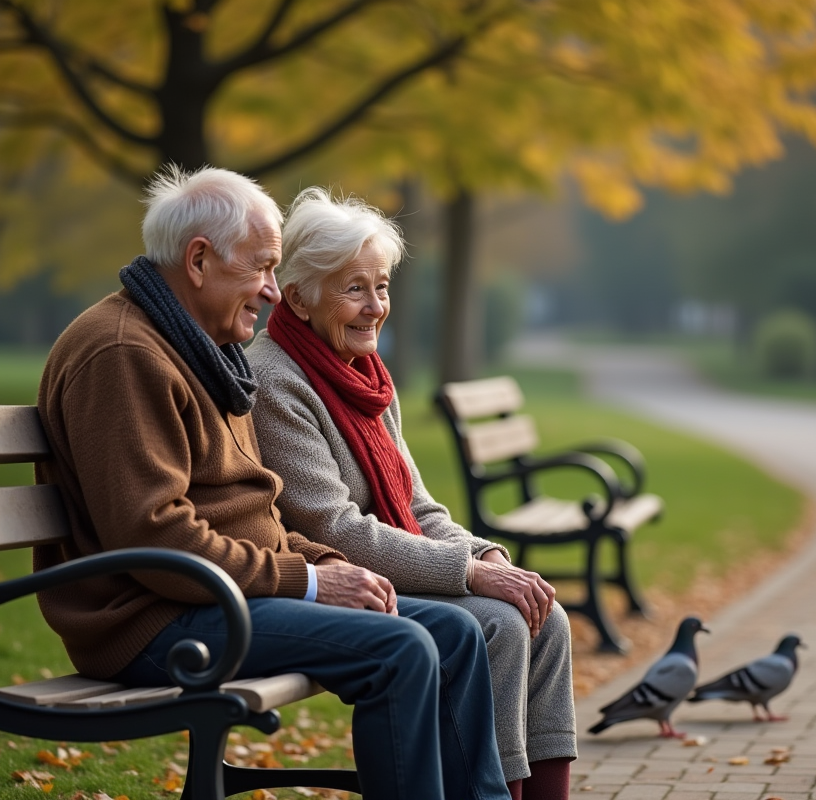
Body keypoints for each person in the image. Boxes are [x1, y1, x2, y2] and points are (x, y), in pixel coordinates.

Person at [32, 165, 510, 800]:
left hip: (215, 598)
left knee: (454, 631)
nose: (272, 291)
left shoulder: (198, 347)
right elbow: (155, 535)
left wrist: (334, 567)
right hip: (154, 621)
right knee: (401, 648)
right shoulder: (124, 353)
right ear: (198, 260)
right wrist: (311, 580)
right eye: (260, 269)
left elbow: (256, 513)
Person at [247, 187, 577, 800]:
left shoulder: (366, 377)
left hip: (392, 566)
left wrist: (485, 556)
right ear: (297, 296)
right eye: (354, 288)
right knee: (501, 624)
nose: (375, 307)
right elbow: (335, 530)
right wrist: (471, 577)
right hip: (335, 578)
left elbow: (419, 507)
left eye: (382, 286)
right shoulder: (276, 379)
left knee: (546, 618)